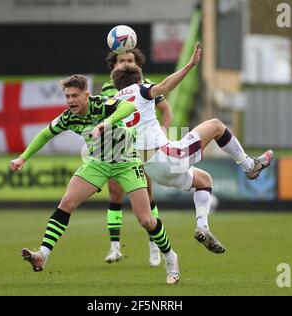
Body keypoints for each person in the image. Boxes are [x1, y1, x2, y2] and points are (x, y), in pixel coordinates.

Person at [92, 42, 274, 253]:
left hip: (152, 170)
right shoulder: (141, 90)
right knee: (216, 125)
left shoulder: (113, 103)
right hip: (168, 157)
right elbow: (167, 86)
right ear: (139, 78)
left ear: (116, 84)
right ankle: (249, 165)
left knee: (204, 181)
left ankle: (202, 227)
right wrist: (189, 66)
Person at [10, 74, 180, 284]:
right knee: (66, 203)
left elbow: (129, 108)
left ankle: (171, 258)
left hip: (127, 162)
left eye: (75, 96)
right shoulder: (68, 117)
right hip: (97, 163)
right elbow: (45, 134)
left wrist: (106, 123)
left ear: (87, 95)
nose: (70, 100)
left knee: (146, 219)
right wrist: (23, 158)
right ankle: (42, 255)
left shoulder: (102, 105)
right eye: (67, 96)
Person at [101, 48, 174, 266]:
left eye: (129, 60)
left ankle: (154, 245)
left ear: (137, 64)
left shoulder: (147, 85)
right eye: (121, 60)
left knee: (147, 195)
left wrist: (162, 130)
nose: (125, 63)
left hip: (143, 147)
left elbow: (167, 111)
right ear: (114, 64)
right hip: (117, 148)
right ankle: (114, 248)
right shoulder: (108, 87)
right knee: (114, 194)